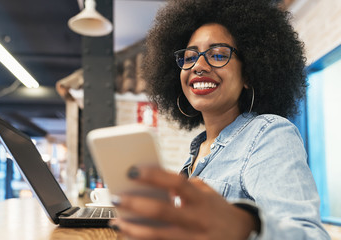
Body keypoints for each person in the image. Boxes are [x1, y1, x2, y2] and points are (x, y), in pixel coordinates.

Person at [109, 0, 331, 239]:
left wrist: (243, 226)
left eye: (217, 55)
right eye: (189, 56)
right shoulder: (196, 152)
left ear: (248, 74)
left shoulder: (269, 134)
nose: (199, 66)